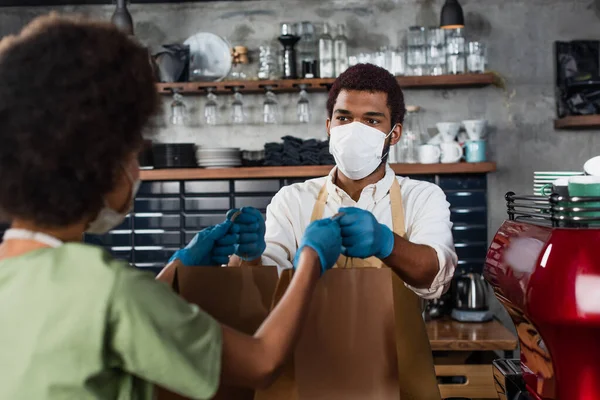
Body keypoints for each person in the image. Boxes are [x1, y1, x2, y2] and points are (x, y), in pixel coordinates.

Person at [0, 15, 343, 400]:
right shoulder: (111, 289)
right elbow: (261, 363)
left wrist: (179, 266)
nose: (136, 170)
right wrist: (311, 259)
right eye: (133, 154)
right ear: (100, 163)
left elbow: (101, 319)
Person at [233, 63, 458, 299]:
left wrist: (387, 242)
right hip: (313, 336)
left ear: (395, 134)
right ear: (329, 126)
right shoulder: (292, 200)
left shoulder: (423, 197)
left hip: (394, 336)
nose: (354, 131)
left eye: (372, 121)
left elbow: (435, 276)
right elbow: (264, 287)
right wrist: (249, 256)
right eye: (344, 117)